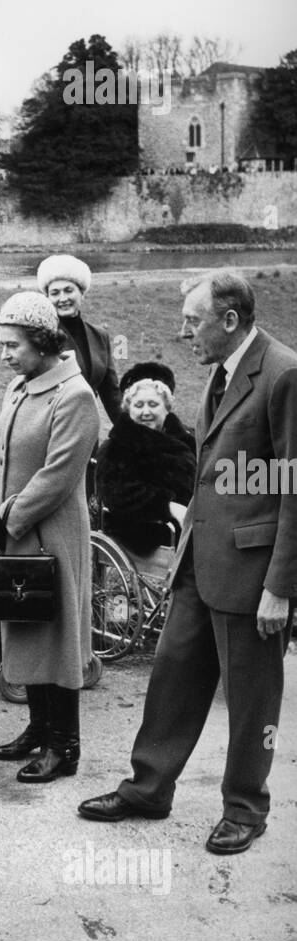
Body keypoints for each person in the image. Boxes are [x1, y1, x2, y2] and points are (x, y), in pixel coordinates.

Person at [79, 272, 297, 854]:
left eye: (192, 322)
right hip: (200, 560)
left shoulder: (282, 374)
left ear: (229, 321)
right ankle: (149, 787)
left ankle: (246, 808)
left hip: (252, 573)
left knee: (252, 697)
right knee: (172, 674)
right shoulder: (221, 373)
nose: (182, 333)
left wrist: (281, 585)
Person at [0, 292, 100, 783]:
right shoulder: (18, 387)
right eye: (3, 344)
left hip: (50, 535)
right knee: (26, 629)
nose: (5, 355)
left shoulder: (75, 396)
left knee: (56, 636)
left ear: (44, 343)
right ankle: (38, 727)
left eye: (13, 346)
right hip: (16, 531)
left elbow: (58, 477)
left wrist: (7, 518)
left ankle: (64, 746)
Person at [95, 362, 196, 558]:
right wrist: (166, 506)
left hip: (190, 523)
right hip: (146, 529)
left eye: (153, 404)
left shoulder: (186, 441)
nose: (146, 412)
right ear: (128, 409)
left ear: (167, 408)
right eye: (138, 405)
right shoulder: (116, 447)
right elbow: (119, 495)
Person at [36, 255, 121, 425]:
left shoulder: (99, 335)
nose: (63, 298)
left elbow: (111, 394)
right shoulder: (41, 336)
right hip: (51, 428)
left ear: (82, 293)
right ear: (48, 299)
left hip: (87, 427)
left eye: (69, 290)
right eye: (55, 293)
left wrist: (136, 434)